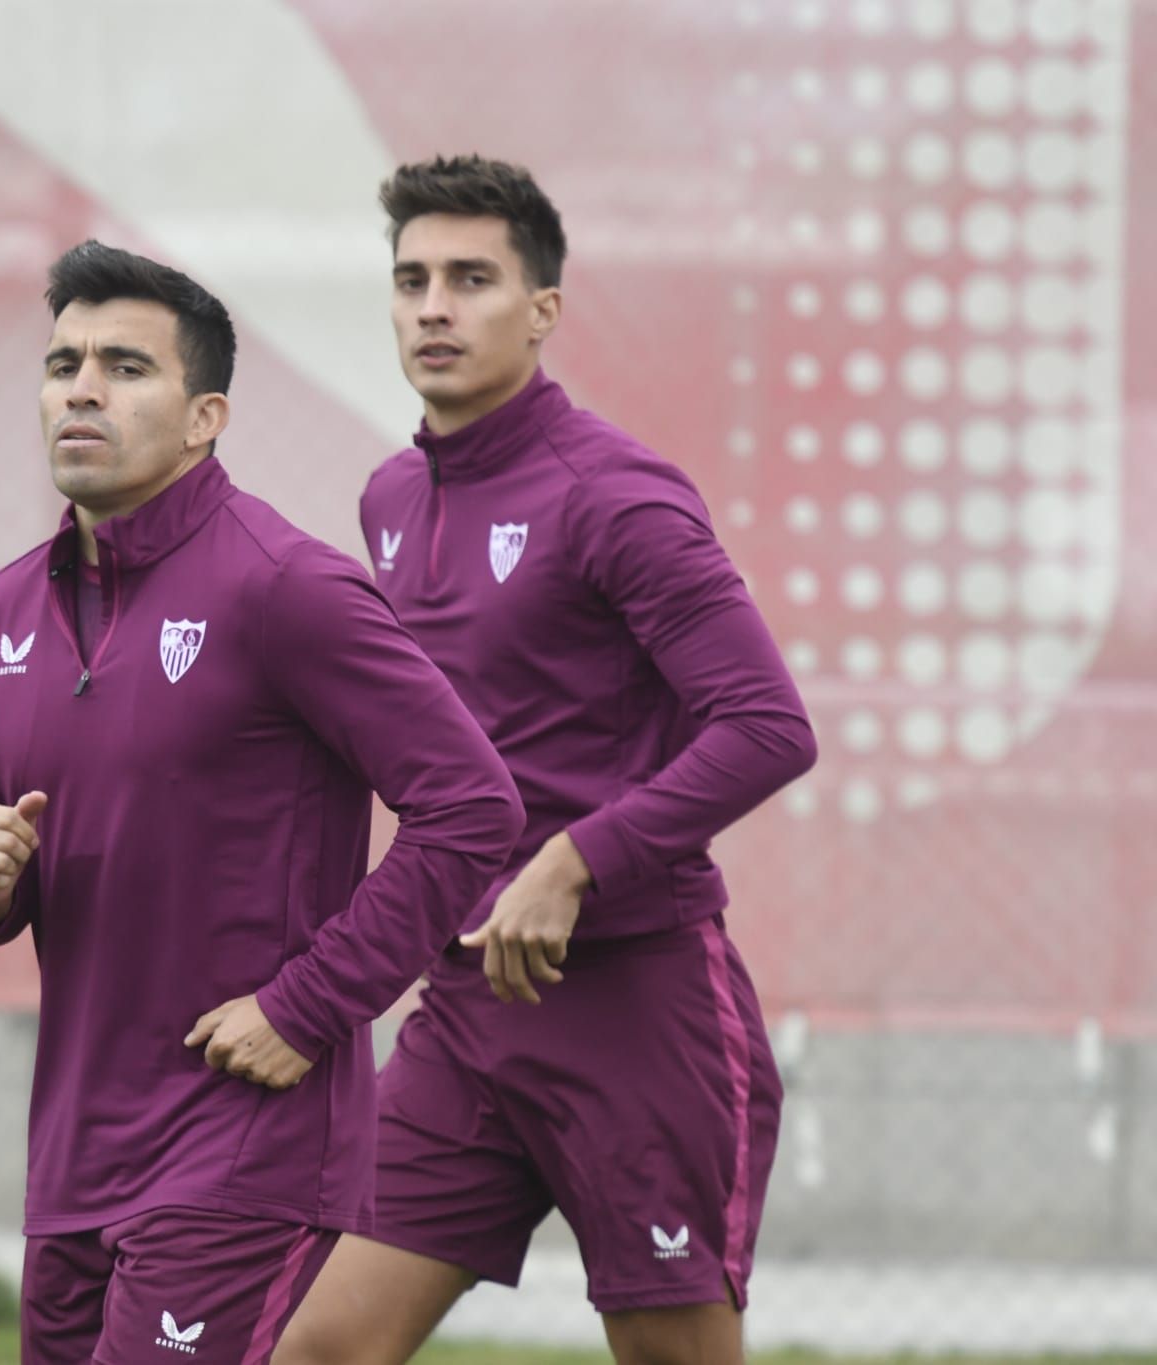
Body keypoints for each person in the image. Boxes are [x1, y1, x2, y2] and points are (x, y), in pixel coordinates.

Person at [0, 239, 525, 1365]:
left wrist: (306, 1006)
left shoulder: (285, 587)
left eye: (123, 366)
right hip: (72, 1159)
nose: (81, 389)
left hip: (243, 1152)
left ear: (204, 417)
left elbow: (470, 806)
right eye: (61, 364)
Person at [276, 155, 820, 1365]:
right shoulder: (389, 499)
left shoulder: (614, 496)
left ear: (540, 311)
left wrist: (574, 861)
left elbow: (767, 728)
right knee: (316, 1349)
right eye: (411, 278)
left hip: (640, 1005)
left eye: (470, 279)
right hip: (468, 1009)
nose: (432, 306)